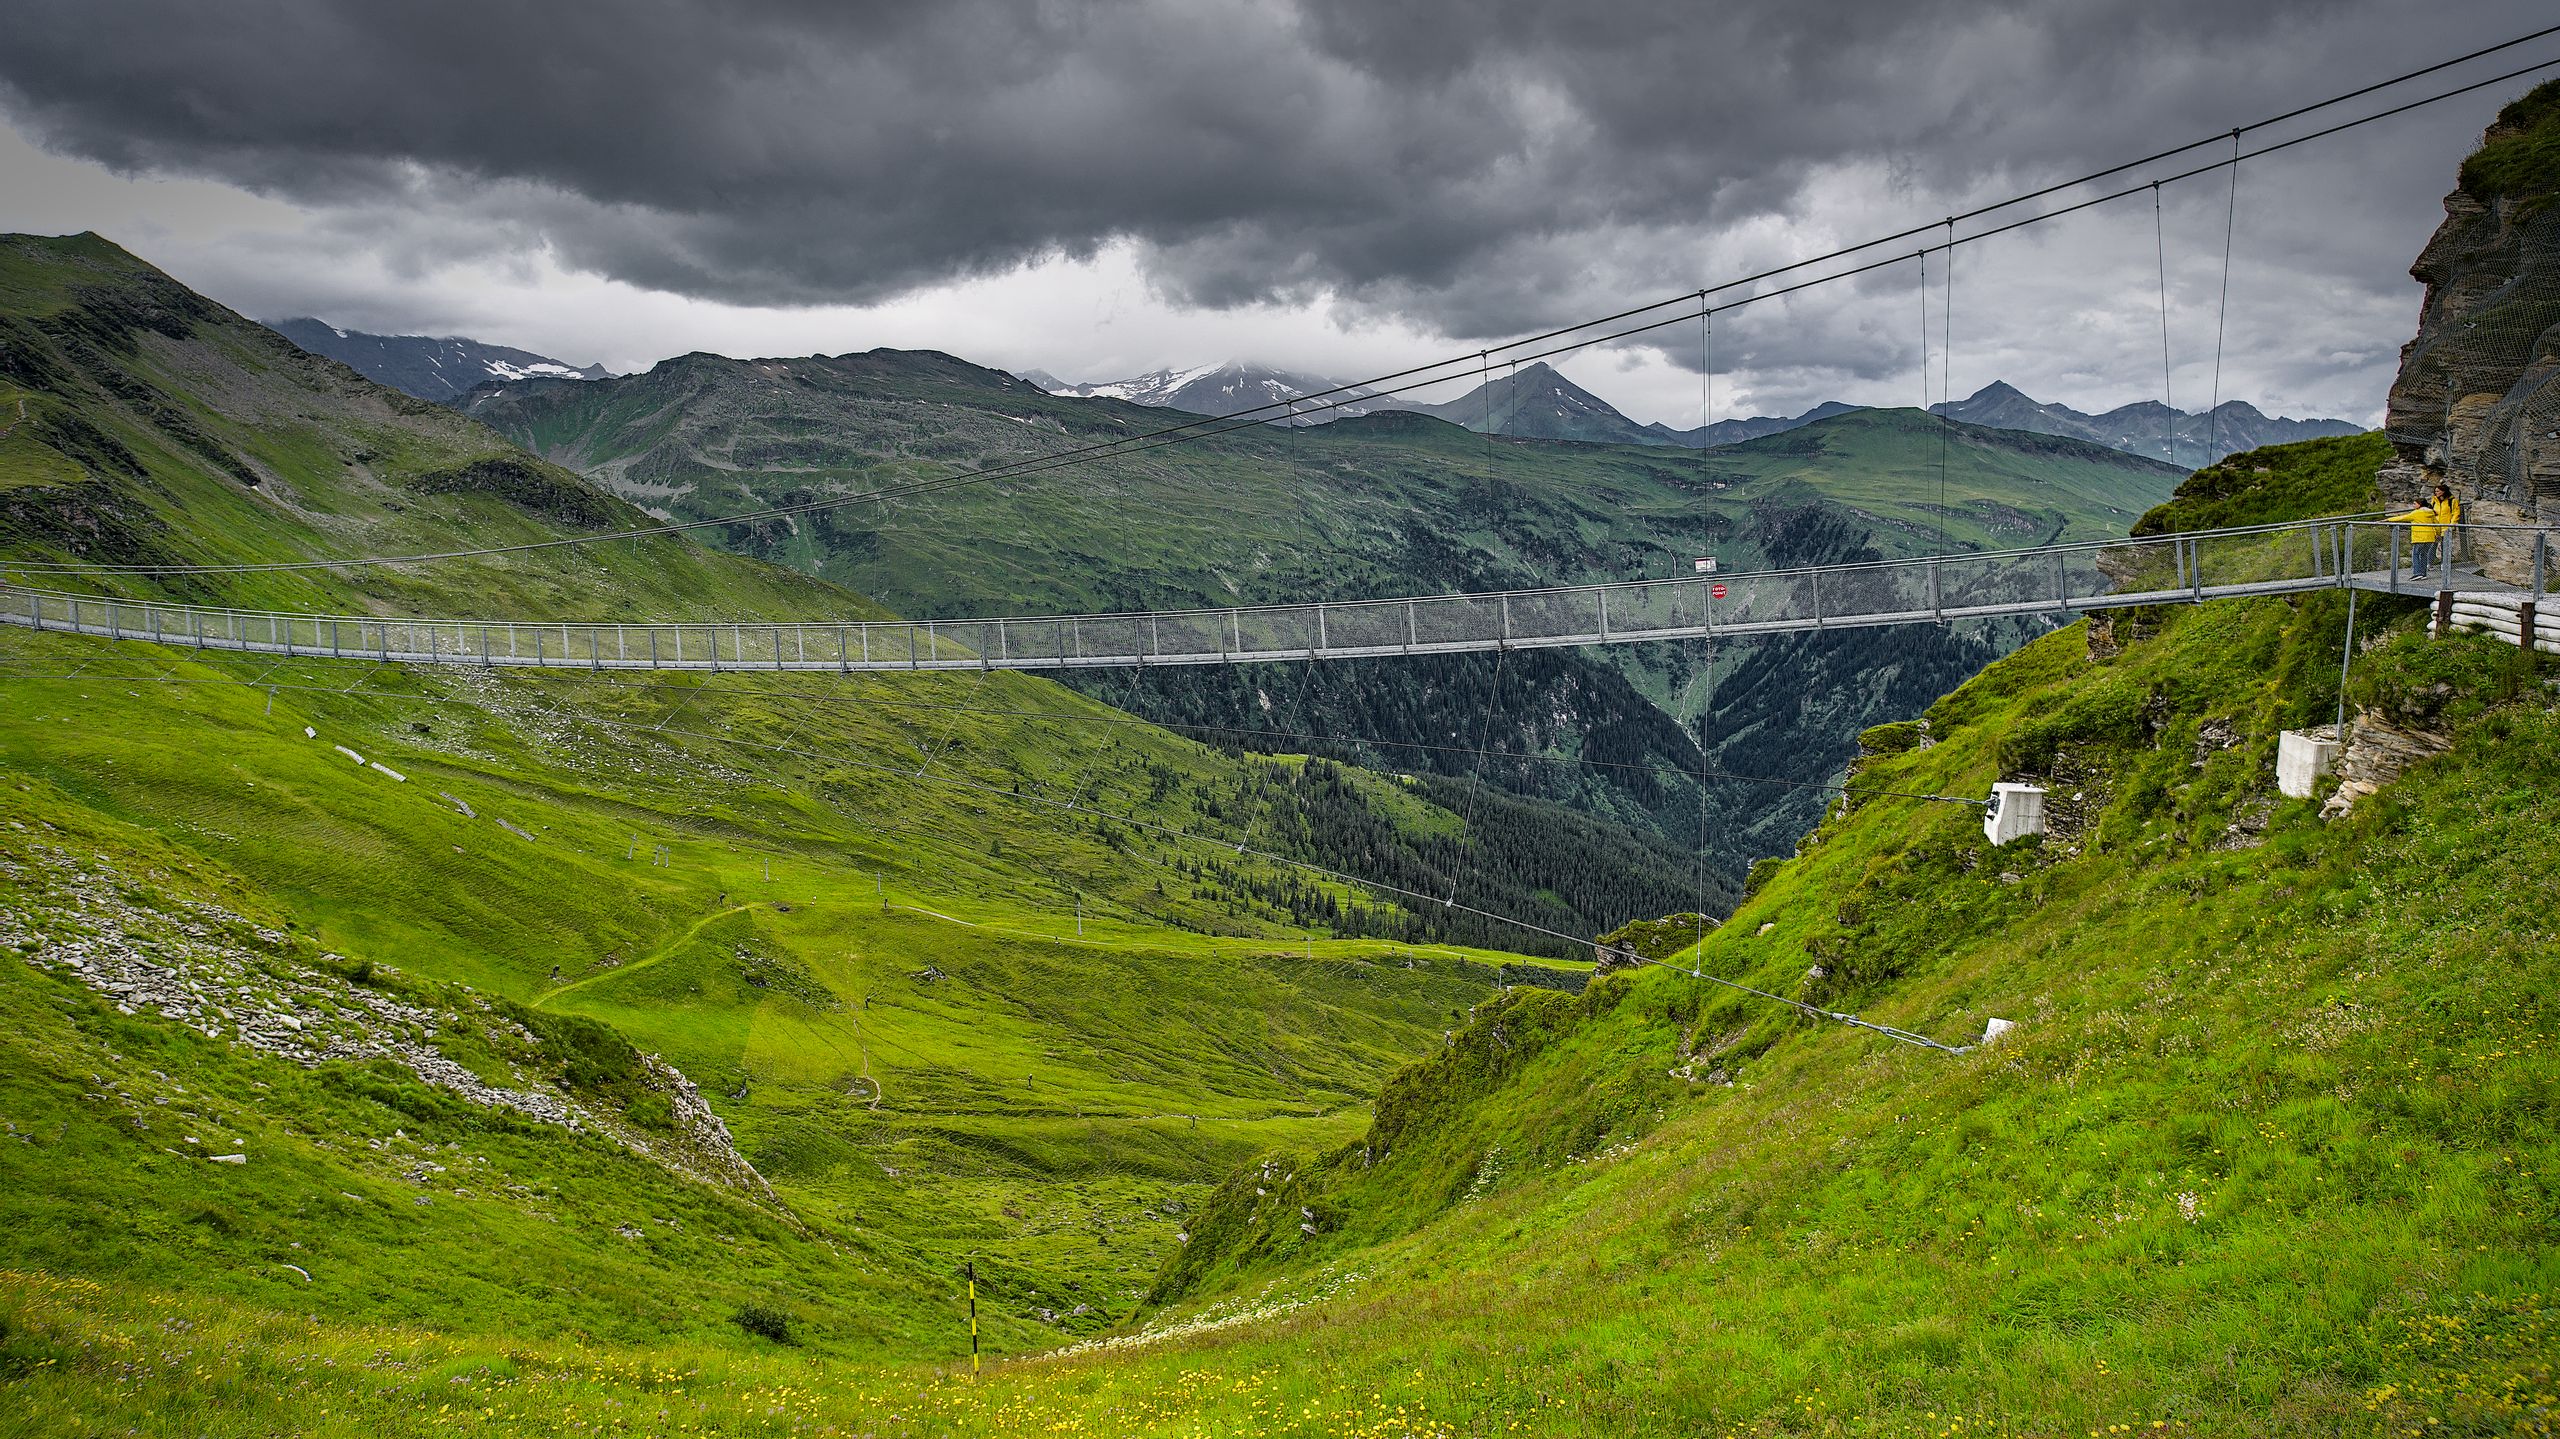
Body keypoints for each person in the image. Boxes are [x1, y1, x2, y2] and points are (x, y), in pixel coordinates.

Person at [2394, 477, 2461, 580]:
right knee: (2432, 546)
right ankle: (2429, 564)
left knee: (2445, 546)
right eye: (2435, 491)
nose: (2436, 493)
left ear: (2443, 491)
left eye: (2438, 491)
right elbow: (2432, 512)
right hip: (2434, 526)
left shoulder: (2452, 501)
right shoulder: (2434, 501)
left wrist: (2452, 525)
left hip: (2446, 526)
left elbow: (2455, 513)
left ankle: (2444, 564)